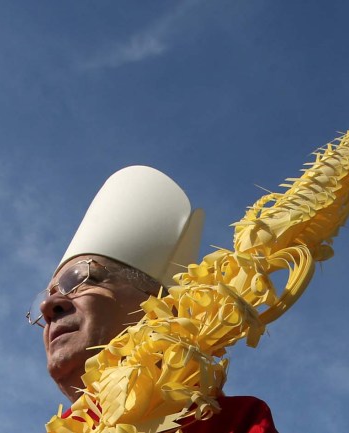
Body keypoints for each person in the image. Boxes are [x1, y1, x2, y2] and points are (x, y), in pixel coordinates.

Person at [28, 166, 278, 432]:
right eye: (46, 297)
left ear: (159, 311)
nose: (47, 307)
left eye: (79, 278)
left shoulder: (229, 422)